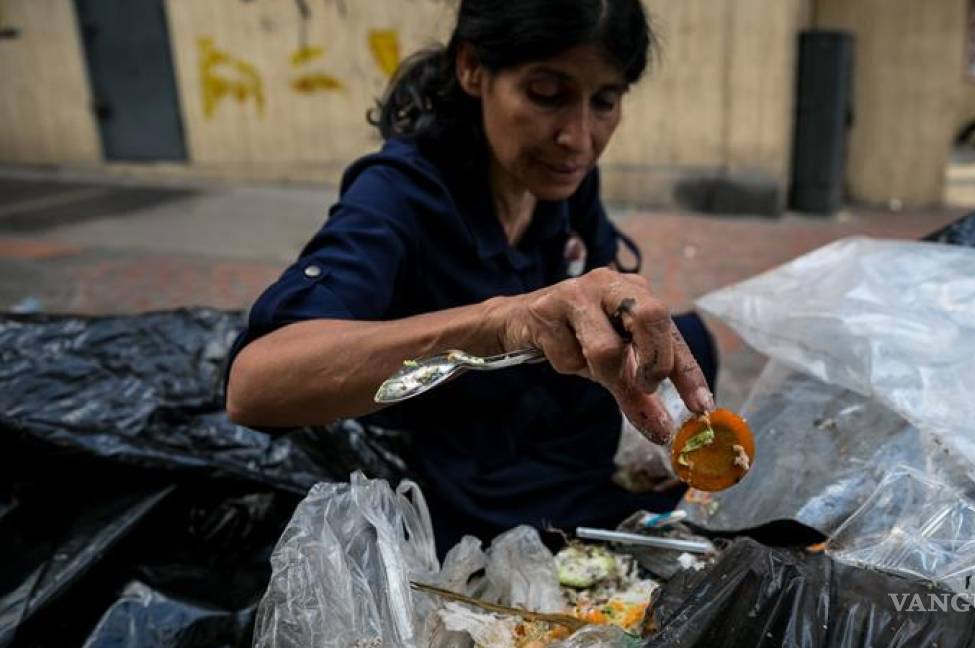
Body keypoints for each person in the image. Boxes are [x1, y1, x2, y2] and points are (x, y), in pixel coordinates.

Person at [225, 0, 719, 555]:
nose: (579, 140)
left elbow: (598, 290)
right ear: (473, 69)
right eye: (546, 95)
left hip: (534, 419)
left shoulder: (563, 179)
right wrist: (504, 321)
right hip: (452, 453)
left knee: (687, 341)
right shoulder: (399, 194)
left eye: (604, 102)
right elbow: (254, 385)